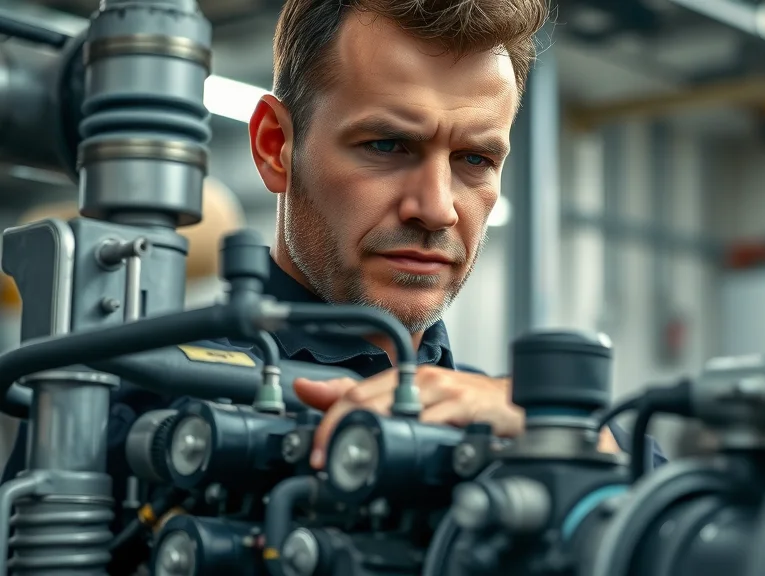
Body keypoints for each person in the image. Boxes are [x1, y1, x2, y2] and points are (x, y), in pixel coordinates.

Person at [2, 0, 665, 569]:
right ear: (274, 146)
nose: (436, 208)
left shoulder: (533, 433)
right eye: (387, 145)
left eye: (474, 158)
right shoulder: (124, 403)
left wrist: (582, 455)